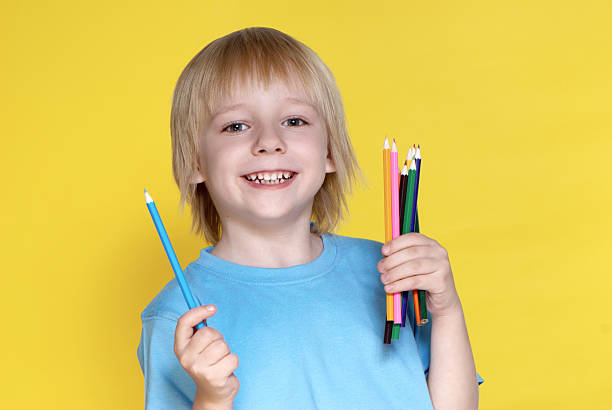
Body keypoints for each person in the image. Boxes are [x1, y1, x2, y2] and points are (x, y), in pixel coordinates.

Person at [137, 26, 483, 410]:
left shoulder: (391, 272)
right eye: (236, 126)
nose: (269, 141)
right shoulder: (176, 316)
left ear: (330, 152)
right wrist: (212, 399)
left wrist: (447, 308)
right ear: (196, 161)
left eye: (294, 121)